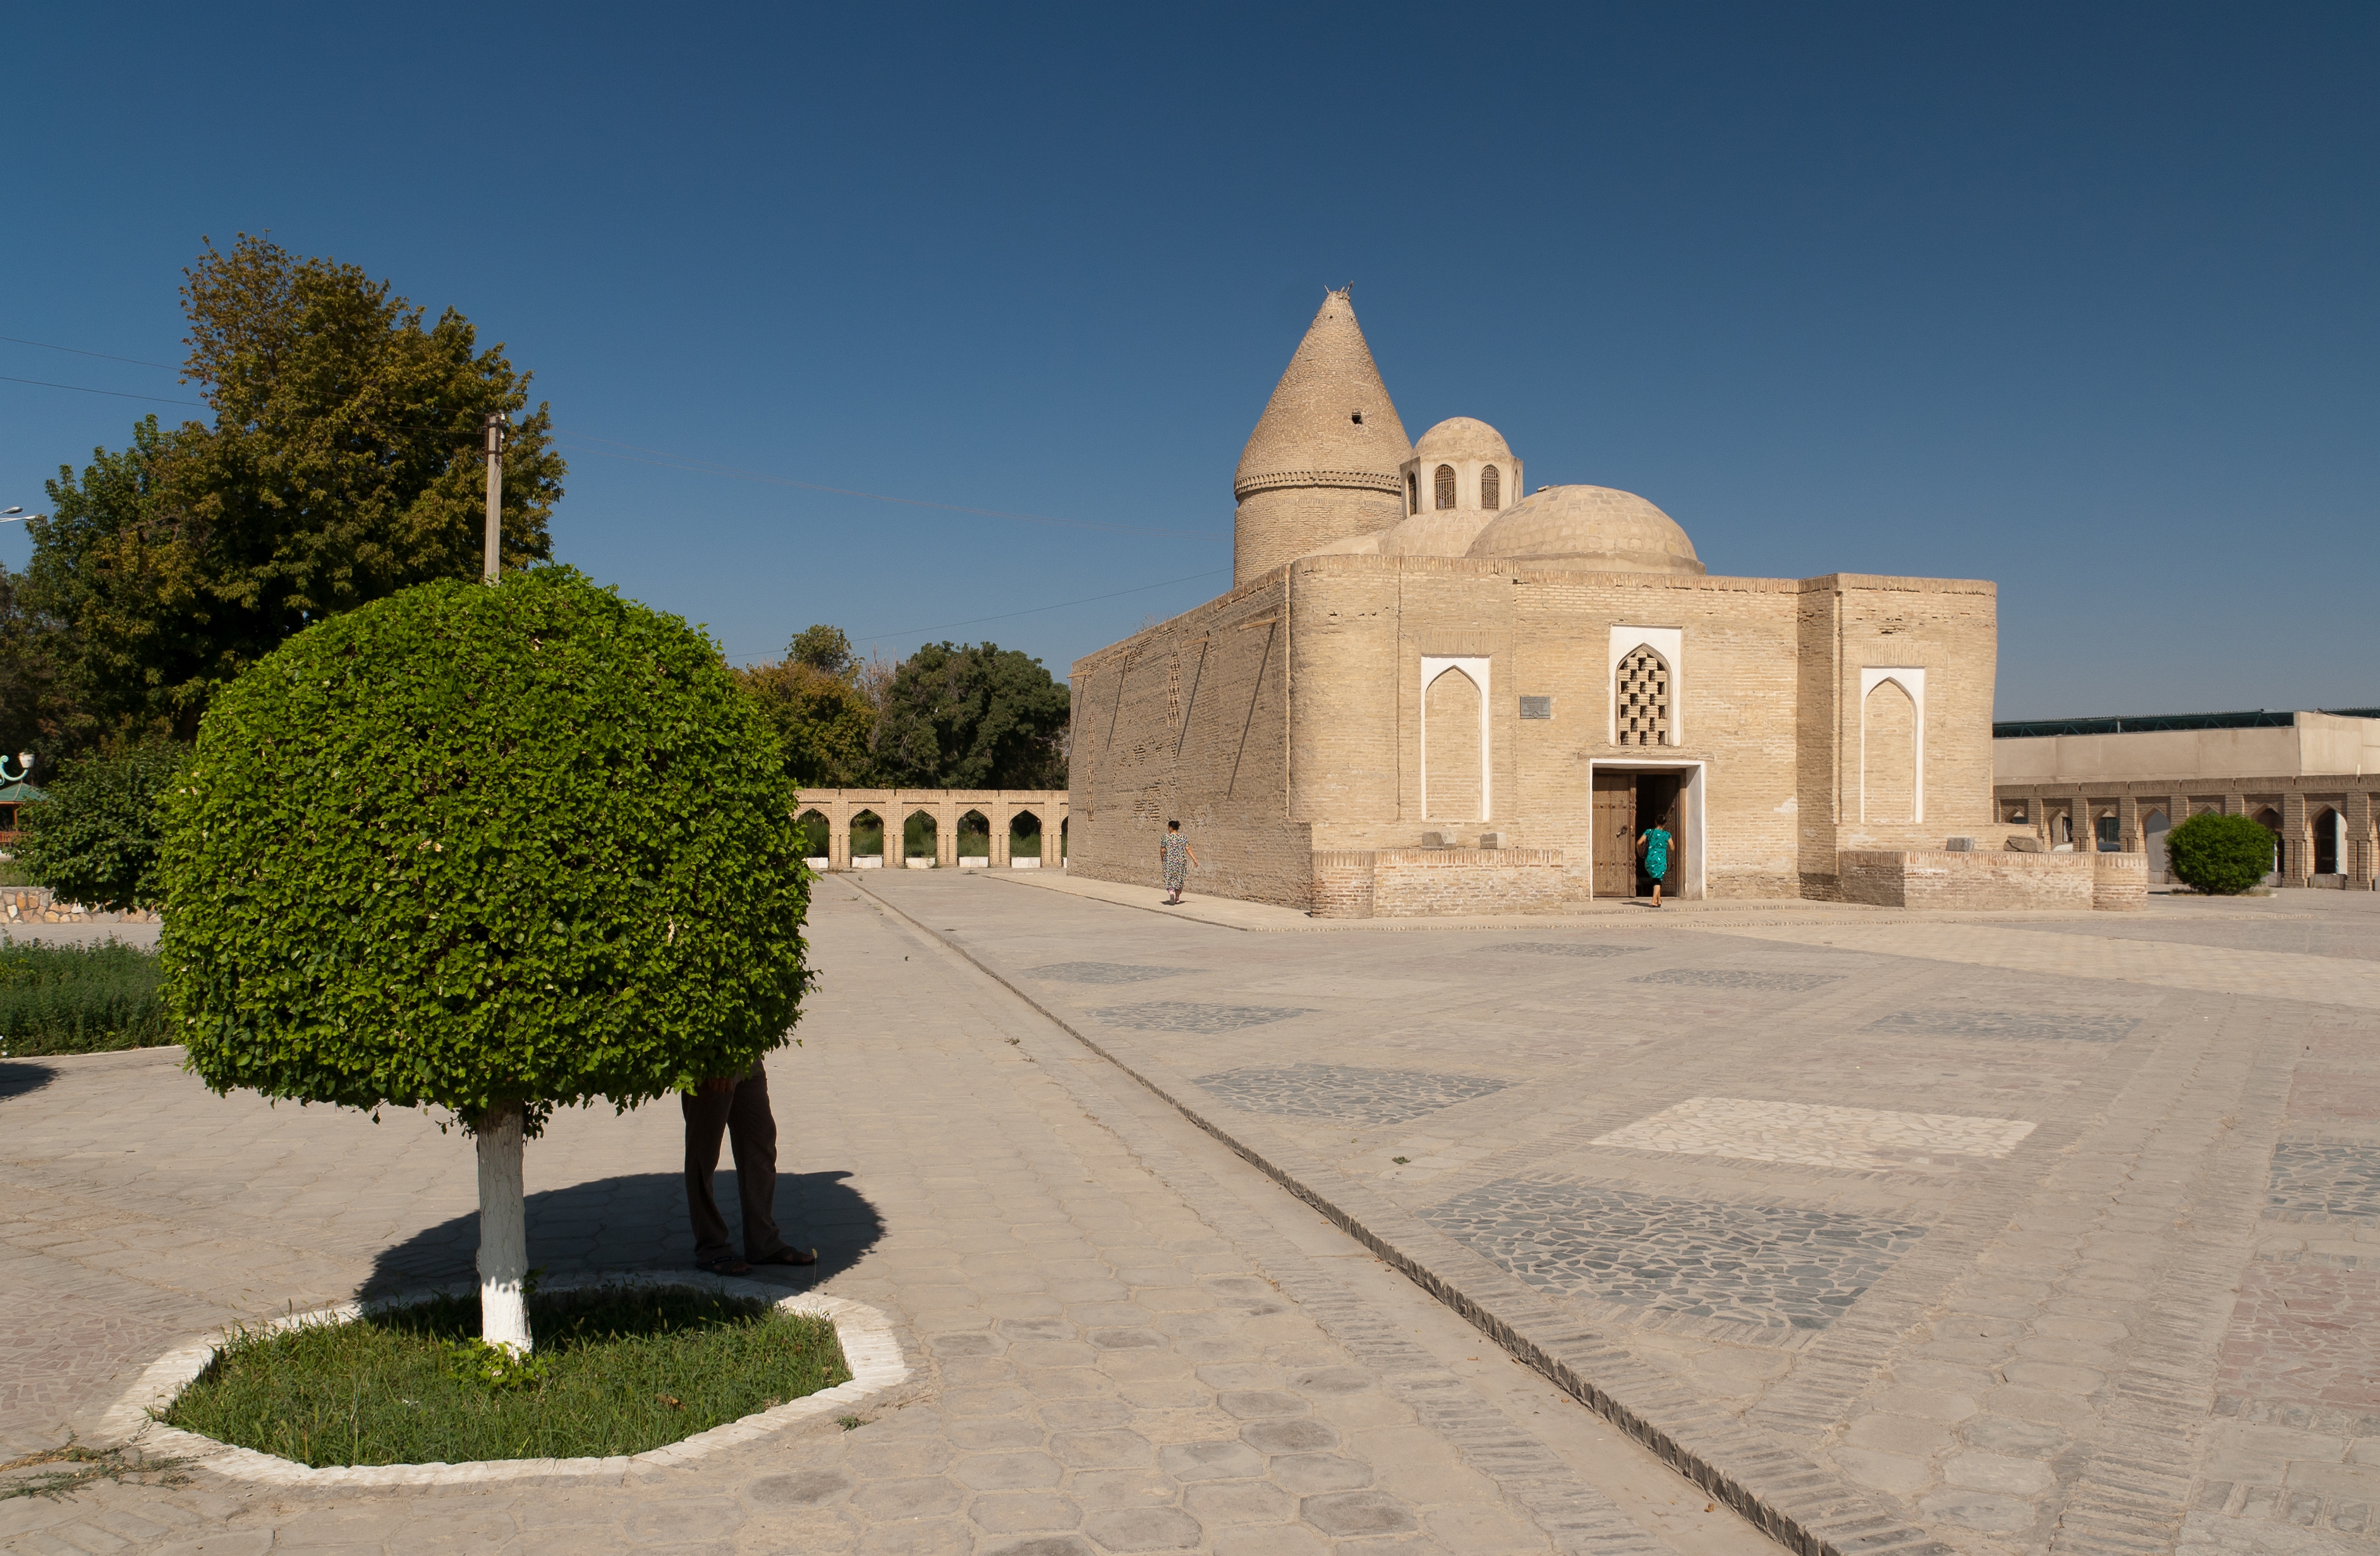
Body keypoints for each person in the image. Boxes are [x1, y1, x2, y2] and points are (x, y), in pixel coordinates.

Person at [684, 1061, 817, 1275]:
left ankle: (763, 1242)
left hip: (747, 1056)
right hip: (710, 1057)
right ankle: (711, 1247)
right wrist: (715, 1060)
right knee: (703, 1156)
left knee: (761, 1140)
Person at [1160, 818, 1198, 905]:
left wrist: (1163, 859)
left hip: (1169, 861)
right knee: (1179, 878)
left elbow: (1162, 850)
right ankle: (1177, 898)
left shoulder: (1166, 837)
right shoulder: (1183, 837)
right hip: (1180, 861)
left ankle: (1171, 892)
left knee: (1169, 877)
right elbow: (1188, 848)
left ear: (1170, 827)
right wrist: (1194, 859)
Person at [1637, 820, 1673, 907]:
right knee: (1657, 880)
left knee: (1656, 878)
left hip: (1649, 859)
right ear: (1665, 824)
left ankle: (1659, 900)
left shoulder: (1649, 832)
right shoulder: (1667, 835)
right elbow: (1672, 848)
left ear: (1656, 822)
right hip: (1661, 860)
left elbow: (1639, 843)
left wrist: (1639, 851)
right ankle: (1654, 901)